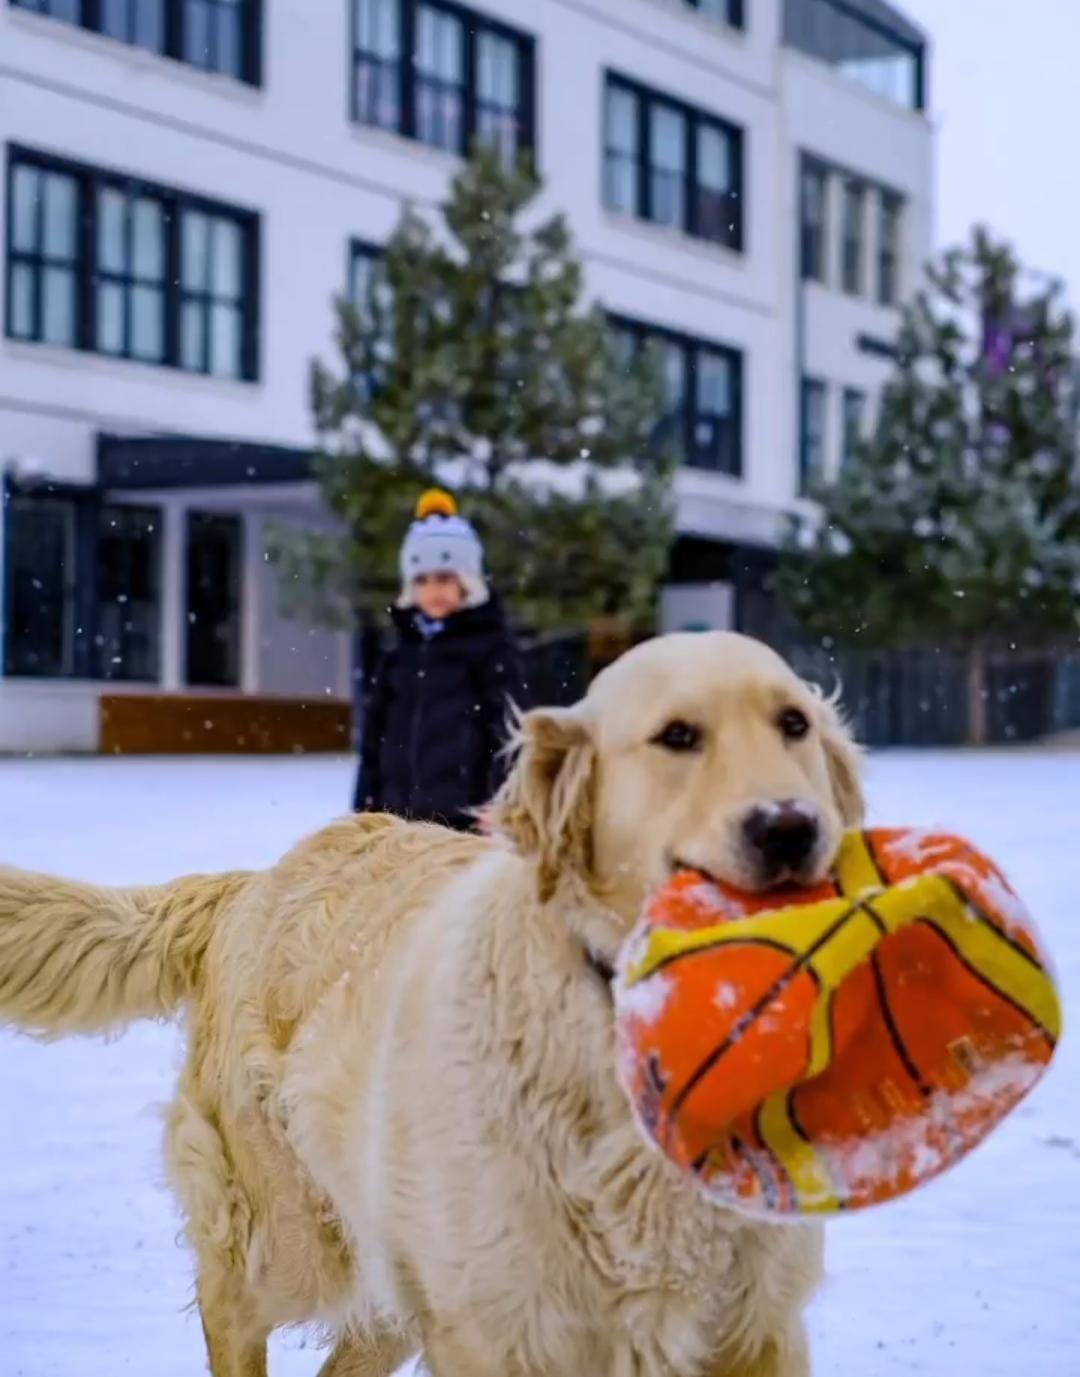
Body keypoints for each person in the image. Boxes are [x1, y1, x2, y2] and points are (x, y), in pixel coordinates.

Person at [353, 489, 528, 831]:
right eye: (423, 579)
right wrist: (364, 808)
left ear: (468, 583)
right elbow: (374, 743)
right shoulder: (398, 656)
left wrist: (503, 800)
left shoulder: (490, 650)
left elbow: (511, 733)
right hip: (397, 822)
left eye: (445, 578)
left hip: (465, 822)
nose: (434, 589)